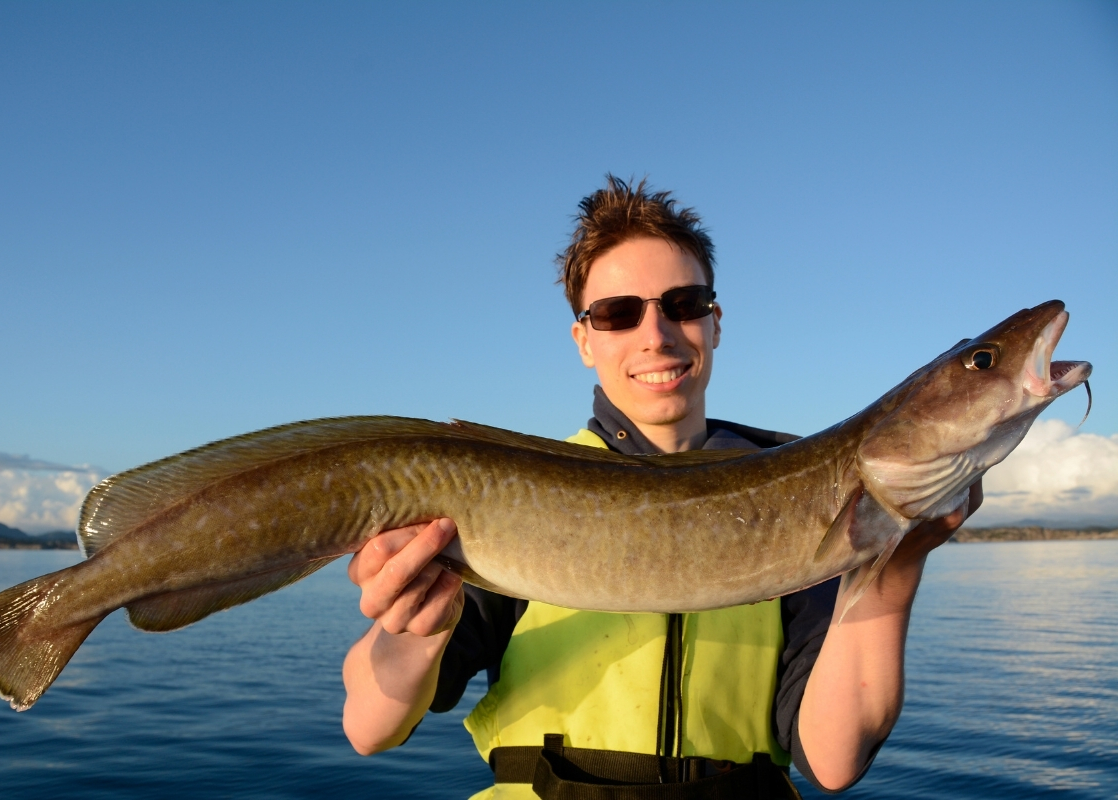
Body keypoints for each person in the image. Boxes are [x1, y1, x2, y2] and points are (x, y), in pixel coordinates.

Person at [342, 176, 981, 798]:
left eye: (684, 305)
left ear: (715, 322)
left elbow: (833, 761)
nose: (656, 335)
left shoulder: (803, 491)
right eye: (618, 314)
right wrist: (410, 625)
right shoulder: (504, 490)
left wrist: (896, 558)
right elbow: (369, 728)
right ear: (584, 340)